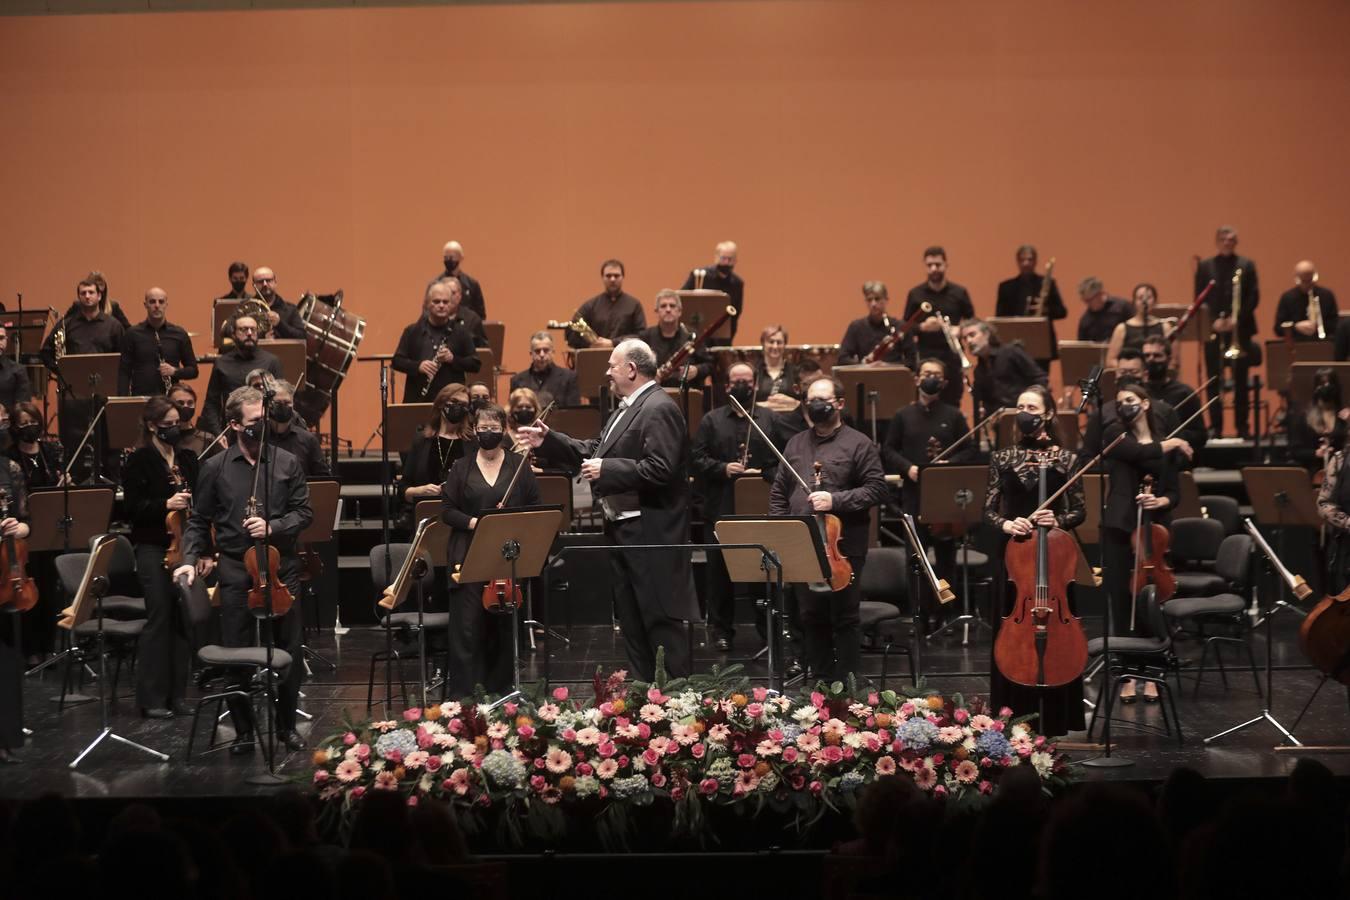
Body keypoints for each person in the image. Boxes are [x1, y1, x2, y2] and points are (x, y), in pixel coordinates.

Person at [516, 339, 698, 680]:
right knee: (631, 620)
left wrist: (608, 469)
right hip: (623, 528)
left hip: (650, 532)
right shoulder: (626, 408)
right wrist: (551, 440)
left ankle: (678, 704)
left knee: (658, 621)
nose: (607, 372)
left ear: (631, 368)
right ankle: (647, 702)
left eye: (612, 365)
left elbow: (661, 469)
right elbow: (596, 449)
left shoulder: (659, 407)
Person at [175, 386, 313, 754]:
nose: (262, 426)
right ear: (235, 425)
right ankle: (244, 732)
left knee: (289, 649)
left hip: (281, 566)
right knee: (237, 650)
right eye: (254, 422)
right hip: (236, 567)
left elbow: (304, 513)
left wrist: (274, 527)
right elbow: (199, 520)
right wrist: (189, 559)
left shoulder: (286, 463)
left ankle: (286, 728)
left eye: (264, 419)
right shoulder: (215, 468)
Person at [769, 375, 887, 683]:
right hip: (804, 543)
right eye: (811, 401)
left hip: (843, 547)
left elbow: (876, 490)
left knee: (844, 617)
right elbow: (780, 492)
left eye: (823, 400)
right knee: (810, 616)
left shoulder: (859, 444)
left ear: (840, 404)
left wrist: (835, 499)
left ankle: (847, 687)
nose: (816, 406)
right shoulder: (795, 443)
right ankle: (820, 683)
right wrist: (781, 534)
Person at [983, 385, 1085, 737]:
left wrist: (1057, 520)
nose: (1025, 411)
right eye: (1020, 405)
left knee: (1059, 632)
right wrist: (1008, 523)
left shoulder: (1066, 459)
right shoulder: (1002, 457)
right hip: (1015, 563)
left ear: (1049, 415)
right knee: (1011, 633)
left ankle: (1056, 718)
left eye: (1032, 406)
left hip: (1053, 563)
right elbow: (988, 510)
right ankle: (1013, 716)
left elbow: (1079, 511)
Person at [439, 403, 539, 697]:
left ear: (503, 429)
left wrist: (508, 523)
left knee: (504, 630)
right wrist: (476, 523)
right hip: (468, 554)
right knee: (467, 629)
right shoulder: (462, 467)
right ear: (475, 430)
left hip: (505, 557)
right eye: (483, 428)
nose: (489, 433)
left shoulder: (519, 466)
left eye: (494, 428)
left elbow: (534, 506)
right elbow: (447, 510)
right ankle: (466, 699)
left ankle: (502, 694)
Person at [1100, 382, 1181, 702]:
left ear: (1146, 404)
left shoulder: (1166, 445)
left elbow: (1174, 492)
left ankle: (1152, 671)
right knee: (1122, 603)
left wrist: (1159, 502)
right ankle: (1127, 673)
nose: (1124, 406)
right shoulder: (1115, 436)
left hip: (1154, 529)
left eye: (1131, 401)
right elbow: (1137, 453)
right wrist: (1172, 444)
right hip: (1120, 527)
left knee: (1151, 602)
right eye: (1120, 402)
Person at [690, 363, 776, 651]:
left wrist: (763, 473)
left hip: (758, 510)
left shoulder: (768, 419)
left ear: (755, 385)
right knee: (719, 574)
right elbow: (696, 459)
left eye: (747, 381)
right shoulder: (711, 421)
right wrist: (722, 467)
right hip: (721, 509)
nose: (742, 385)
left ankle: (768, 630)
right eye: (736, 381)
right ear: (727, 386)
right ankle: (721, 630)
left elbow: (781, 460)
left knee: (762, 570)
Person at [881, 359, 974, 626]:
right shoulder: (903, 415)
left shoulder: (953, 415)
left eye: (936, 375)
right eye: (926, 374)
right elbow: (888, 450)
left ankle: (945, 616)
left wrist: (949, 465)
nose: (930, 378)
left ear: (944, 383)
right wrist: (907, 468)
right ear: (916, 379)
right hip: (913, 495)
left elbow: (969, 450)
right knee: (917, 559)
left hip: (943, 499)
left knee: (946, 559)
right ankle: (920, 616)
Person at [122, 396, 196, 718]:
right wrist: (167, 504)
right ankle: (151, 698)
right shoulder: (139, 460)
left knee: (183, 619)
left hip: (185, 547)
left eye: (177, 423)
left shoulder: (188, 458)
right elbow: (132, 510)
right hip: (153, 547)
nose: (174, 429)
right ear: (152, 426)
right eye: (168, 425)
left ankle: (177, 695)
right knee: (160, 616)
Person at [41, 276, 124, 473]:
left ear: (99, 295)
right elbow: (45, 352)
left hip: (105, 393)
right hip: (75, 395)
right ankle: (77, 479)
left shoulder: (113, 325)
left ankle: (110, 481)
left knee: (108, 440)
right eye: (83, 293)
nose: (87, 297)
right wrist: (63, 372)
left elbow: (123, 357)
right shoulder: (66, 324)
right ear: (78, 296)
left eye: (91, 293)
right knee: (75, 441)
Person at [1196, 226, 1260, 438]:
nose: (1227, 242)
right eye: (1223, 239)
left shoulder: (1246, 265)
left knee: (1241, 380)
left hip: (1239, 331)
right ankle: (1216, 427)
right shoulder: (1205, 266)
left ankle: (1243, 427)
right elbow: (1200, 297)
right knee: (1214, 380)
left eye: (1231, 239)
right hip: (1214, 331)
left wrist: (1236, 319)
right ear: (1217, 241)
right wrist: (1213, 321)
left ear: (1236, 242)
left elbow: (1253, 296)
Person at [392, 280, 481, 403]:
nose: (441, 305)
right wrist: (418, 366)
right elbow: (397, 361)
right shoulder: (412, 331)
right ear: (428, 304)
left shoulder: (461, 332)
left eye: (445, 302)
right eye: (436, 301)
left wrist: (453, 359)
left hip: (452, 402)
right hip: (418, 399)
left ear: (451, 304)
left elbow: (475, 364)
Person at [399, 384, 475, 526]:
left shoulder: (473, 442)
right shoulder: (421, 440)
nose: (458, 407)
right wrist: (420, 490)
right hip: (427, 517)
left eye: (464, 404)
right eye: (454, 402)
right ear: (441, 403)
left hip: (463, 517)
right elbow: (404, 488)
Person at [199, 314, 283, 436]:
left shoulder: (271, 361)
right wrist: (218, 434)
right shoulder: (221, 363)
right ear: (233, 334)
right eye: (243, 329)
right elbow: (212, 403)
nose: (249, 333)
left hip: (263, 431)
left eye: (253, 329)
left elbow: (279, 400)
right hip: (231, 431)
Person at [0, 439, 30, 764]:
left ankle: (5, 739)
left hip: (5, 578)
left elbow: (26, 518)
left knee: (7, 663)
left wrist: (20, 527)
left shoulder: (9, 468)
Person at [961, 318, 1048, 423]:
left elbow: (1039, 377)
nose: (969, 341)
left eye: (972, 335)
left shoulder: (1011, 352)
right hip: (1002, 422)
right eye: (965, 338)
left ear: (986, 334)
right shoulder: (979, 370)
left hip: (1026, 417)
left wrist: (1035, 405)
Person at [117, 287, 199, 396]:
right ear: (145, 304)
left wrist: (175, 371)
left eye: (161, 302)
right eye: (152, 302)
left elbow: (193, 370)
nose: (157, 305)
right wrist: (123, 402)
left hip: (170, 400)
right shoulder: (132, 334)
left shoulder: (179, 334)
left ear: (166, 304)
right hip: (141, 398)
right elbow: (124, 372)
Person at [994, 245, 1066, 365]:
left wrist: (1045, 310)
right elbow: (999, 317)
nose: (1026, 263)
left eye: (1030, 259)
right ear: (1017, 261)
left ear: (1035, 261)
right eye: (1022, 260)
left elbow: (1062, 312)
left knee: (1040, 380)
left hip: (1040, 342)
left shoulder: (1048, 283)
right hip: (1014, 342)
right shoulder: (1006, 287)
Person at [1140, 336, 1208, 455]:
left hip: (1173, 457)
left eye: (1157, 355)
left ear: (1169, 359)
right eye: (1147, 355)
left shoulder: (1184, 392)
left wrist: (1171, 436)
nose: (1151, 359)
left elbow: (1200, 436)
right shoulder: (1136, 393)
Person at [638, 290, 713, 389]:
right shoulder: (646, 336)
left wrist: (697, 370)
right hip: (655, 395)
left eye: (672, 306)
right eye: (663, 306)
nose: (668, 309)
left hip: (687, 393)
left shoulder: (691, 335)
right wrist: (650, 374)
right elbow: (636, 367)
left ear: (680, 311)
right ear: (657, 311)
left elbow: (709, 365)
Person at [565, 259, 645, 349]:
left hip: (625, 359)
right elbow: (571, 332)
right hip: (595, 358)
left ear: (623, 277)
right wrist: (590, 344)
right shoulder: (591, 305)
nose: (612, 279)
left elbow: (642, 336)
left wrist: (613, 343)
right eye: (608, 276)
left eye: (616, 275)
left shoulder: (634, 305)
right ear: (602, 277)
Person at [680, 241, 744, 344]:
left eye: (730, 259)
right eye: (723, 258)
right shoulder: (699, 276)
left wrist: (729, 337)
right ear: (716, 257)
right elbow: (682, 300)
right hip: (697, 334)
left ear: (736, 260)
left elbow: (736, 313)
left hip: (722, 338)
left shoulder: (737, 283)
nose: (727, 262)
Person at [1287, 368, 1347, 474]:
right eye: (1322, 383)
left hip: (1342, 474)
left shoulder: (1344, 417)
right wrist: (1315, 453)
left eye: (1330, 383)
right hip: (1314, 472)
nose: (1326, 388)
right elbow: (1294, 451)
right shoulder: (1304, 418)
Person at [266, 380, 330, 478]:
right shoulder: (258, 436)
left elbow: (323, 478)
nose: (283, 406)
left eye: (287, 402)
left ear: (293, 404)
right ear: (268, 404)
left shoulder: (308, 440)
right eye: (277, 402)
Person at [1105, 282, 1174, 370]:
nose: (1144, 301)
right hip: (1130, 376)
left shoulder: (1165, 327)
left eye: (1149, 298)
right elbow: (1111, 360)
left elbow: (1173, 360)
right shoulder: (1121, 328)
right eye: (1140, 298)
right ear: (1134, 302)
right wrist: (1131, 369)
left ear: (1155, 301)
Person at [838, 281, 907, 366]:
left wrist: (887, 366)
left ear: (886, 300)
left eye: (877, 299)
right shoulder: (856, 327)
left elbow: (911, 362)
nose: (873, 304)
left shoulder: (900, 326)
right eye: (869, 300)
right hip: (865, 377)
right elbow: (842, 358)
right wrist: (862, 364)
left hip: (893, 377)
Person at [509, 331, 580, 406]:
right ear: (531, 353)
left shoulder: (569, 378)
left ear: (553, 352)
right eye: (537, 351)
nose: (542, 354)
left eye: (546, 350)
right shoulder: (517, 380)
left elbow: (574, 412)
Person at [1275, 260, 1338, 344]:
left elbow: (1335, 325)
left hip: (1323, 344)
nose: (1308, 284)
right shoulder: (1287, 297)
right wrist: (1296, 327)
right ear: (1297, 278)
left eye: (1310, 280)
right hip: (1296, 344)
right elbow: (1278, 329)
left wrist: (1318, 326)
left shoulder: (1326, 295)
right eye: (1304, 281)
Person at [251, 266, 306, 340]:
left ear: (275, 282)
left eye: (268, 280)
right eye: (260, 281)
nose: (265, 284)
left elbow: (302, 336)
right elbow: (235, 336)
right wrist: (262, 338)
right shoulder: (247, 308)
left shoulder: (290, 309)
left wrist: (279, 323)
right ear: (254, 285)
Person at [436, 240, 487, 320]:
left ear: (461, 258)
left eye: (452, 257)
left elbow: (480, 316)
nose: (449, 260)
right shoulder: (435, 284)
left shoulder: (472, 284)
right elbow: (427, 312)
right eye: (446, 257)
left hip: (467, 328)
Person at [755, 324, 799, 411]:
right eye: (771, 342)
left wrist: (794, 402)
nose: (775, 346)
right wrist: (765, 406)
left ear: (785, 344)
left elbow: (805, 402)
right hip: (760, 421)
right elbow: (744, 405)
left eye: (779, 342)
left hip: (789, 422)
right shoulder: (753, 371)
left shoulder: (796, 371)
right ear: (763, 343)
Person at [1075, 276, 1132, 343]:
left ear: (1100, 294)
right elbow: (1082, 347)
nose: (1087, 304)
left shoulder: (1123, 307)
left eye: (1089, 300)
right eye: (1085, 301)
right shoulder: (1085, 320)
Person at [167, 383, 211, 457]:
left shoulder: (207, 439)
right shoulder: (163, 438)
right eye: (180, 403)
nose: (185, 407)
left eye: (190, 403)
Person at [0, 326, 33, 414]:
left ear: (6, 340)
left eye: (1, 338)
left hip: (8, 425)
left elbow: (23, 409)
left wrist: (5, 413)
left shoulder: (18, 370)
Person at [504, 387, 543, 457]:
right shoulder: (504, 439)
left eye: (528, 407)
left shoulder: (543, 437)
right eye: (519, 407)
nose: (524, 409)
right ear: (511, 409)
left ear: (535, 409)